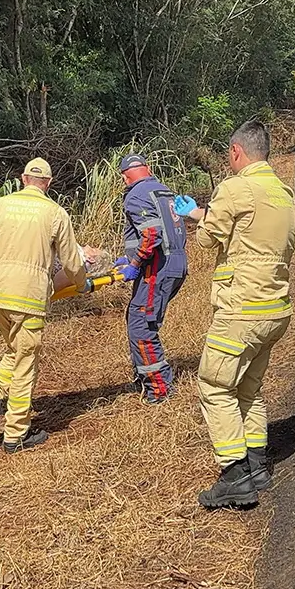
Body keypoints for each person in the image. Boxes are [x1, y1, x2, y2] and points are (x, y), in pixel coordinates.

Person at [175, 121, 295, 509]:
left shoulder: (234, 187)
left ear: (236, 152)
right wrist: (203, 214)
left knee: (214, 384)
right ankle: (257, 466)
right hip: (274, 309)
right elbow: (250, 233)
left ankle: (234, 475)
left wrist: (196, 217)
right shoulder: (283, 192)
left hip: (241, 310)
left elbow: (210, 238)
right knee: (249, 389)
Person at [0, 158, 86, 454]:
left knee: (15, 351)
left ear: (23, 179)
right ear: (48, 182)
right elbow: (72, 261)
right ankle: (16, 434)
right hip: (28, 299)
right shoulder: (55, 213)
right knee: (25, 363)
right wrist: (83, 284)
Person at [113, 155, 189, 404]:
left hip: (156, 269)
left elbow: (151, 234)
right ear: (149, 169)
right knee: (139, 318)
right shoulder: (163, 191)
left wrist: (135, 264)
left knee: (142, 327)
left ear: (124, 176)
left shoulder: (136, 195)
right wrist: (129, 257)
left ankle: (159, 389)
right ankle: (146, 378)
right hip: (176, 264)